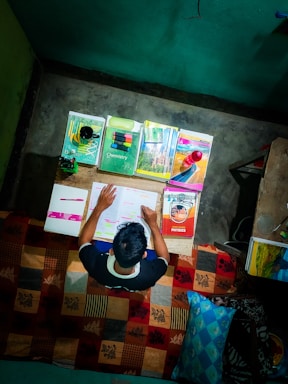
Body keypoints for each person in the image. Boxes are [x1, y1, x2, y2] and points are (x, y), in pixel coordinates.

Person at [78, 184, 170, 291]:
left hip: (106, 278)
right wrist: (153, 224)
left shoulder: (95, 265)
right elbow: (165, 258)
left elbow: (83, 241)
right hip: (137, 284)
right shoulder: (149, 275)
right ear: (144, 255)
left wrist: (99, 208)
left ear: (111, 251)